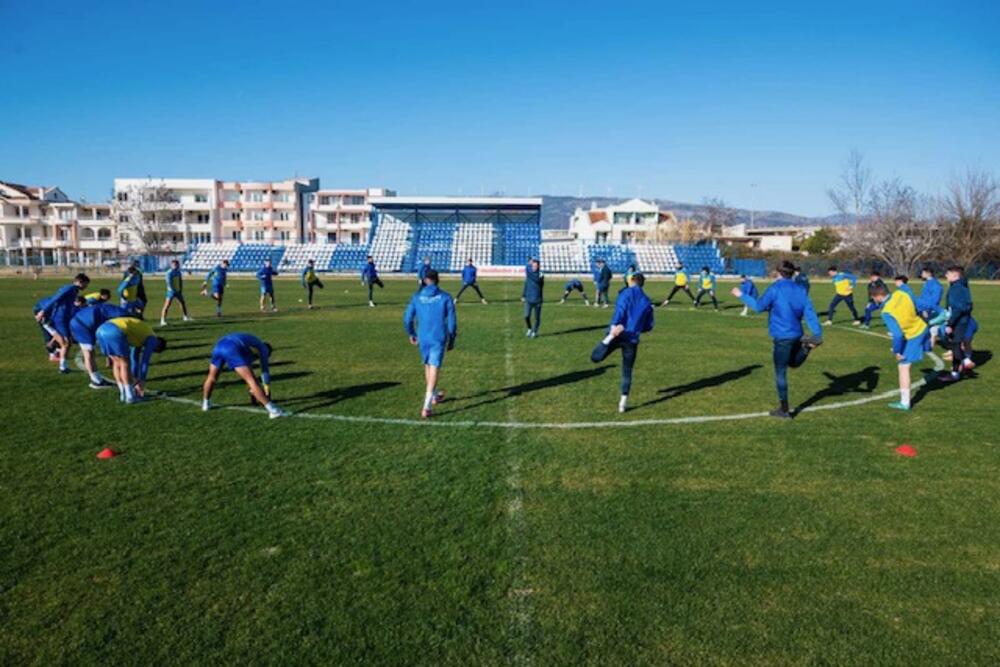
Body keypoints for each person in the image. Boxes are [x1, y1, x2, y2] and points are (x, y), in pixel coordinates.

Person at [732, 260, 823, 419]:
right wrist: (817, 333)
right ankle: (806, 347)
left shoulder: (775, 288)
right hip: (797, 334)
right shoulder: (801, 290)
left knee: (781, 372)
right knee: (793, 363)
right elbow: (809, 312)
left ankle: (784, 409)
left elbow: (759, 307)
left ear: (778, 272)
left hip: (782, 336)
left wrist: (742, 295)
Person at [590, 272, 654, 413]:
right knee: (627, 370)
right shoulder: (646, 301)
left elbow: (620, 309)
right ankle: (623, 402)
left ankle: (607, 339)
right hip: (632, 339)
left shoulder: (626, 293)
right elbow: (649, 326)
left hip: (617, 334)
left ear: (631, 281)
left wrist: (615, 326)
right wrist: (637, 328)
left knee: (595, 358)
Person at [403, 269, 457, 418]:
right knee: (434, 366)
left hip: (423, 336)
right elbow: (452, 322)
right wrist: (452, 338)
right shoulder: (446, 297)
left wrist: (412, 333)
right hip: (438, 336)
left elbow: (407, 319)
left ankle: (433, 395)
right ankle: (426, 406)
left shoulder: (417, 297)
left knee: (428, 364)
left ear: (424, 280)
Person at [869, 283, 931, 411]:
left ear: (878, 296)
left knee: (903, 366)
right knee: (912, 356)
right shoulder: (900, 293)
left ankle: (905, 403)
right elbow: (921, 305)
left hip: (914, 334)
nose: (873, 300)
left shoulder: (886, 312)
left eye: (873, 297)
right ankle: (926, 345)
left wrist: (897, 351)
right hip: (922, 327)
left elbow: (897, 335)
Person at [202, 333, 288, 418]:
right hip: (232, 347)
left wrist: (253, 389)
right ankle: (273, 410)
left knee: (212, 377)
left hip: (220, 345)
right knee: (252, 380)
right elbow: (264, 371)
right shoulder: (264, 349)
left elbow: (247, 364)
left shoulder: (252, 346)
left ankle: (206, 403)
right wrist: (266, 387)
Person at [94, 316, 167, 404]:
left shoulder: (139, 337)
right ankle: (130, 397)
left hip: (100, 330)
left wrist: (135, 379)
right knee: (125, 363)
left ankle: (123, 394)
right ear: (158, 344)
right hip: (114, 330)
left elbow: (135, 359)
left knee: (117, 362)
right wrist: (142, 381)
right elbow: (144, 361)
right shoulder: (153, 339)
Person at [35, 273, 90, 373]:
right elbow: (55, 298)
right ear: (80, 282)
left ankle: (63, 364)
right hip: (59, 319)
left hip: (64, 319)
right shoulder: (69, 288)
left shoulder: (74, 290)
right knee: (66, 343)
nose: (86, 287)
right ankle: (62, 366)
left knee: (67, 343)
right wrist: (43, 311)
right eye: (85, 284)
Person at [71, 300, 128, 388]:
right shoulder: (120, 315)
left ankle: (96, 379)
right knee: (88, 353)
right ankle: (96, 381)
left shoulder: (114, 310)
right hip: (82, 325)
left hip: (80, 322)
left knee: (89, 353)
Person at [938, 265, 974, 383]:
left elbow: (958, 308)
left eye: (948, 274)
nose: (946, 276)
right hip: (962, 320)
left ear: (955, 275)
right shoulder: (963, 286)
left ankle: (963, 364)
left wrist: (950, 323)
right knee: (955, 345)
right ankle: (959, 369)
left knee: (954, 344)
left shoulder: (956, 288)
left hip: (958, 321)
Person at [161, 259, 191, 325]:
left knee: (182, 303)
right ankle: (163, 320)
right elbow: (168, 282)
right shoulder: (169, 273)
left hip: (178, 291)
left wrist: (180, 289)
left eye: (177, 265)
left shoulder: (178, 272)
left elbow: (180, 281)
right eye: (174, 265)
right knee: (167, 305)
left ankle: (185, 317)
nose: (176, 266)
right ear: (171, 265)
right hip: (171, 291)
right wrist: (172, 290)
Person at [522, 258, 545, 337]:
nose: (533, 267)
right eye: (532, 266)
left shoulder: (540, 274)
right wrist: (523, 295)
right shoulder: (529, 274)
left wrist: (529, 263)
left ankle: (534, 332)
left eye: (535, 266)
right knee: (526, 315)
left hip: (538, 300)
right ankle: (529, 328)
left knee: (537, 318)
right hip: (529, 299)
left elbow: (537, 279)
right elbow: (526, 285)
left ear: (538, 266)